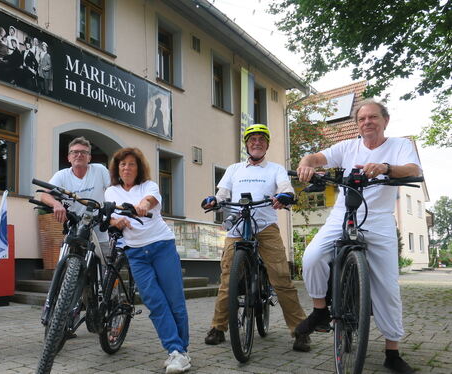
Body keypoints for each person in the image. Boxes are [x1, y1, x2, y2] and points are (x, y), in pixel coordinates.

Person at [295, 100, 422, 374]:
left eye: (373, 117)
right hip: (342, 212)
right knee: (312, 256)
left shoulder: (399, 145)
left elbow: (414, 170)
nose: (367, 122)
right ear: (357, 125)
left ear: (385, 120)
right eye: (362, 119)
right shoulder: (347, 147)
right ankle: (320, 309)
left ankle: (392, 352)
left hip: (378, 218)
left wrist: (386, 168)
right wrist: (306, 163)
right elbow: (317, 158)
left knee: (388, 286)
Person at [201, 124, 310, 352]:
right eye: (252, 140)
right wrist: (215, 200)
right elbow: (223, 193)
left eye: (261, 139)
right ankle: (218, 328)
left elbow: (285, 188)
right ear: (247, 145)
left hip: (265, 226)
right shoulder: (234, 169)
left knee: (281, 278)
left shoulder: (276, 169)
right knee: (227, 279)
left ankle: (300, 331)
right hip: (238, 227)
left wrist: (285, 196)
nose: (257, 143)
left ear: (267, 144)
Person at [105, 148, 191, 374]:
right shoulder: (111, 191)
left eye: (132, 164)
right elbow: (110, 216)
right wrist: (117, 223)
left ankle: (181, 351)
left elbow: (150, 200)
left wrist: (142, 206)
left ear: (139, 167)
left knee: (175, 301)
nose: (127, 168)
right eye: (122, 164)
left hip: (161, 246)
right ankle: (175, 350)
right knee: (154, 302)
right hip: (135, 253)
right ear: (117, 169)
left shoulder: (149, 186)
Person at [40, 137, 110, 258]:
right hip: (74, 225)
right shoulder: (61, 175)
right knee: (66, 263)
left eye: (84, 152)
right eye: (74, 152)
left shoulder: (100, 170)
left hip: (98, 225)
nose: (79, 155)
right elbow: (44, 195)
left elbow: (113, 189)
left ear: (89, 158)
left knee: (103, 265)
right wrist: (56, 204)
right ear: (69, 158)